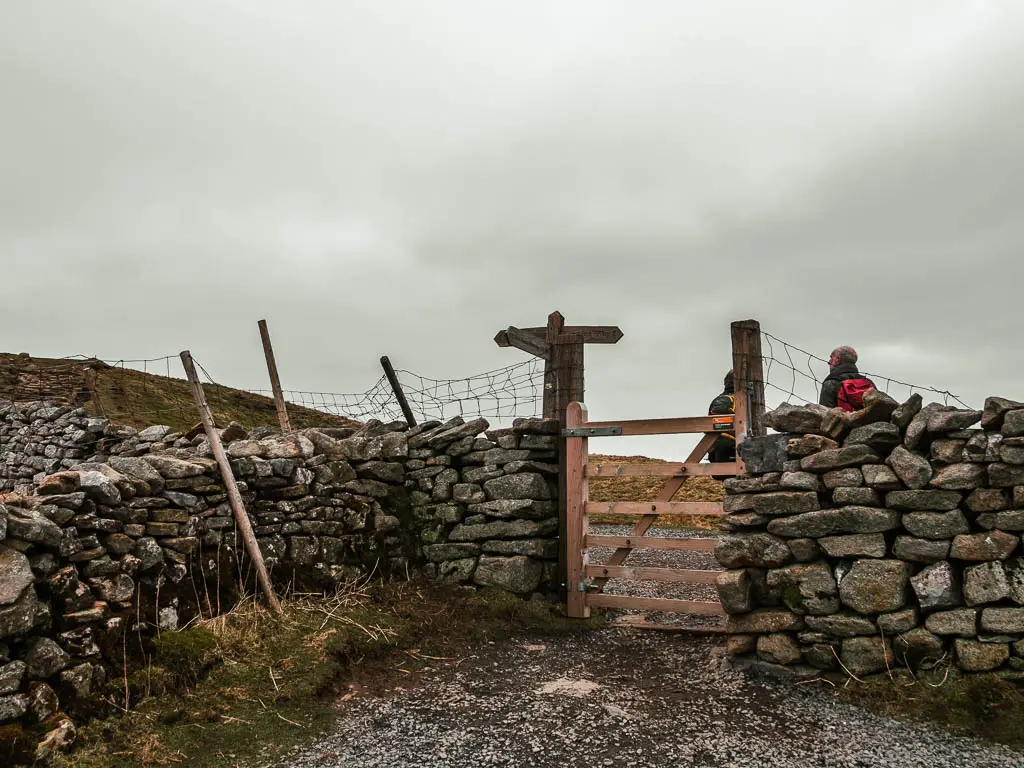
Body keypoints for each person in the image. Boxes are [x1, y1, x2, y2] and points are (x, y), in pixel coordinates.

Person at [819, 346, 875, 412]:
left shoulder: (830, 383)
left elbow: (824, 414)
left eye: (831, 357)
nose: (829, 362)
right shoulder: (868, 383)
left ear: (838, 359)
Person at [707, 370, 736, 463]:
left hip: (715, 452)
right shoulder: (741, 401)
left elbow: (707, 426)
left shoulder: (717, 400)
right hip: (734, 452)